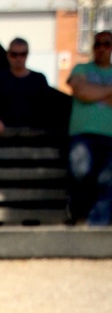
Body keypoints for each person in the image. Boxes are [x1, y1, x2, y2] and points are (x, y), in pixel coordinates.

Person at [66, 30, 112, 226]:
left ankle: (96, 226)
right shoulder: (80, 68)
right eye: (97, 44)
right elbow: (81, 91)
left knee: (107, 180)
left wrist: (94, 92)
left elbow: (88, 91)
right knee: (80, 171)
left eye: (106, 44)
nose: (101, 48)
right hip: (82, 135)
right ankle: (79, 216)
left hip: (109, 136)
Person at [0, 38, 50, 135]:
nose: (18, 58)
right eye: (14, 54)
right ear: (8, 55)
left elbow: (48, 107)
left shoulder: (39, 79)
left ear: (27, 55)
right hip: (4, 134)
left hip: (34, 135)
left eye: (22, 54)